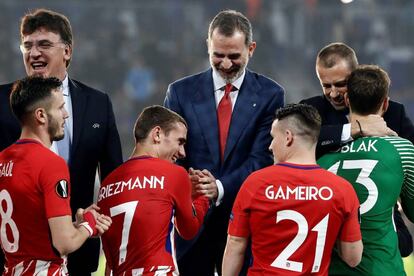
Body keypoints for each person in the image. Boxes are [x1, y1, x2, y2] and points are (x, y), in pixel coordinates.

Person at [0, 9, 123, 274]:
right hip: (13, 253)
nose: (33, 53)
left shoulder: (98, 103)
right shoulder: (2, 101)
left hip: (77, 252)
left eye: (44, 44)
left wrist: (103, 232)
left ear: (67, 51)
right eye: (27, 45)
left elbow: (113, 179)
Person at [164, 9, 285, 275]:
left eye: (234, 56)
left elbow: (262, 159)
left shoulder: (270, 95)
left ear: (251, 48)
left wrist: (218, 187)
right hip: (192, 223)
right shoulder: (180, 93)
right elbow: (169, 156)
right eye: (218, 55)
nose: (226, 64)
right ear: (208, 46)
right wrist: (190, 182)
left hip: (244, 220)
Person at [301, 42, 413, 257]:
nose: (333, 94)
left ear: (355, 76)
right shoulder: (311, 110)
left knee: (403, 244)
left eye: (340, 84)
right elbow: (301, 141)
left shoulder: (393, 112)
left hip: (379, 212)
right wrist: (353, 129)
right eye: (326, 86)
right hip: (328, 217)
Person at [222, 103, 363, 275]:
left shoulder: (255, 183)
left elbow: (235, 243)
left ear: (288, 137)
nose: (270, 146)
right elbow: (352, 258)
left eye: (273, 137)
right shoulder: (342, 189)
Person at [0, 76, 112, 275]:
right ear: (41, 115)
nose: (66, 114)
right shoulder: (51, 163)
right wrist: (89, 224)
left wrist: (74, 225)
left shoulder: (3, 159)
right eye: (60, 108)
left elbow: (31, 226)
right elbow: (64, 243)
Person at [97, 105, 209, 275]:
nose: (182, 152)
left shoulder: (107, 183)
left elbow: (109, 254)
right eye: (180, 141)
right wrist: (202, 195)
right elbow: (188, 230)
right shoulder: (174, 174)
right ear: (157, 134)